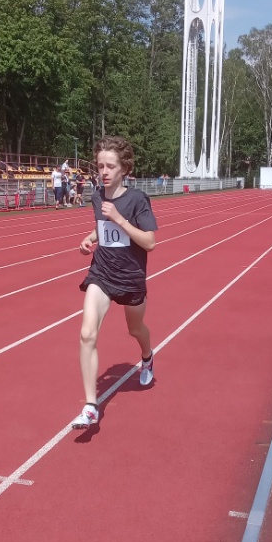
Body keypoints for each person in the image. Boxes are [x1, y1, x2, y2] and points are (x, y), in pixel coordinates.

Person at [71, 136, 158, 429]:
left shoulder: (137, 199)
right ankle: (90, 406)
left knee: (135, 329)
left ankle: (147, 357)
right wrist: (90, 238)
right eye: (100, 166)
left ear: (124, 169)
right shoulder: (97, 196)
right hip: (102, 273)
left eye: (111, 166)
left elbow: (149, 242)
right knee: (87, 334)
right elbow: (102, 226)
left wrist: (120, 219)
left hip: (131, 277)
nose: (104, 172)